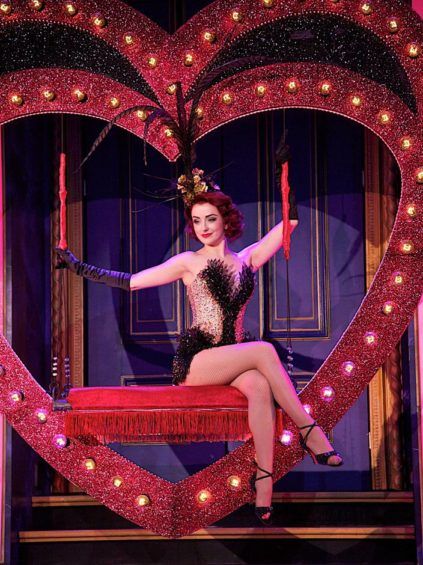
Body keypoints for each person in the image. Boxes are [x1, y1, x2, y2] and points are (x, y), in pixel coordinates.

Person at [56, 169, 343, 526]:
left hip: (235, 358)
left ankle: (264, 483)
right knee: (264, 352)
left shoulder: (247, 260)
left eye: (210, 218)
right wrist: (78, 266)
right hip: (198, 362)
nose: (204, 227)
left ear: (226, 219)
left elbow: (291, 223)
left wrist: (286, 171)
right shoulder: (188, 262)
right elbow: (132, 282)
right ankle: (308, 430)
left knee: (259, 384)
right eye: (197, 221)